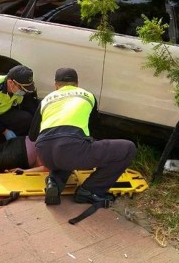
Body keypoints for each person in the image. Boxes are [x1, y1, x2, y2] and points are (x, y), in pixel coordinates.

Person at [29, 67, 137, 207]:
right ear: (77, 83)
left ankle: (54, 183)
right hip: (71, 149)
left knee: (66, 152)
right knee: (128, 148)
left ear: (56, 85)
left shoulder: (46, 100)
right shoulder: (87, 95)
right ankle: (90, 191)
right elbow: (94, 128)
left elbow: (32, 135)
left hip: (45, 154)